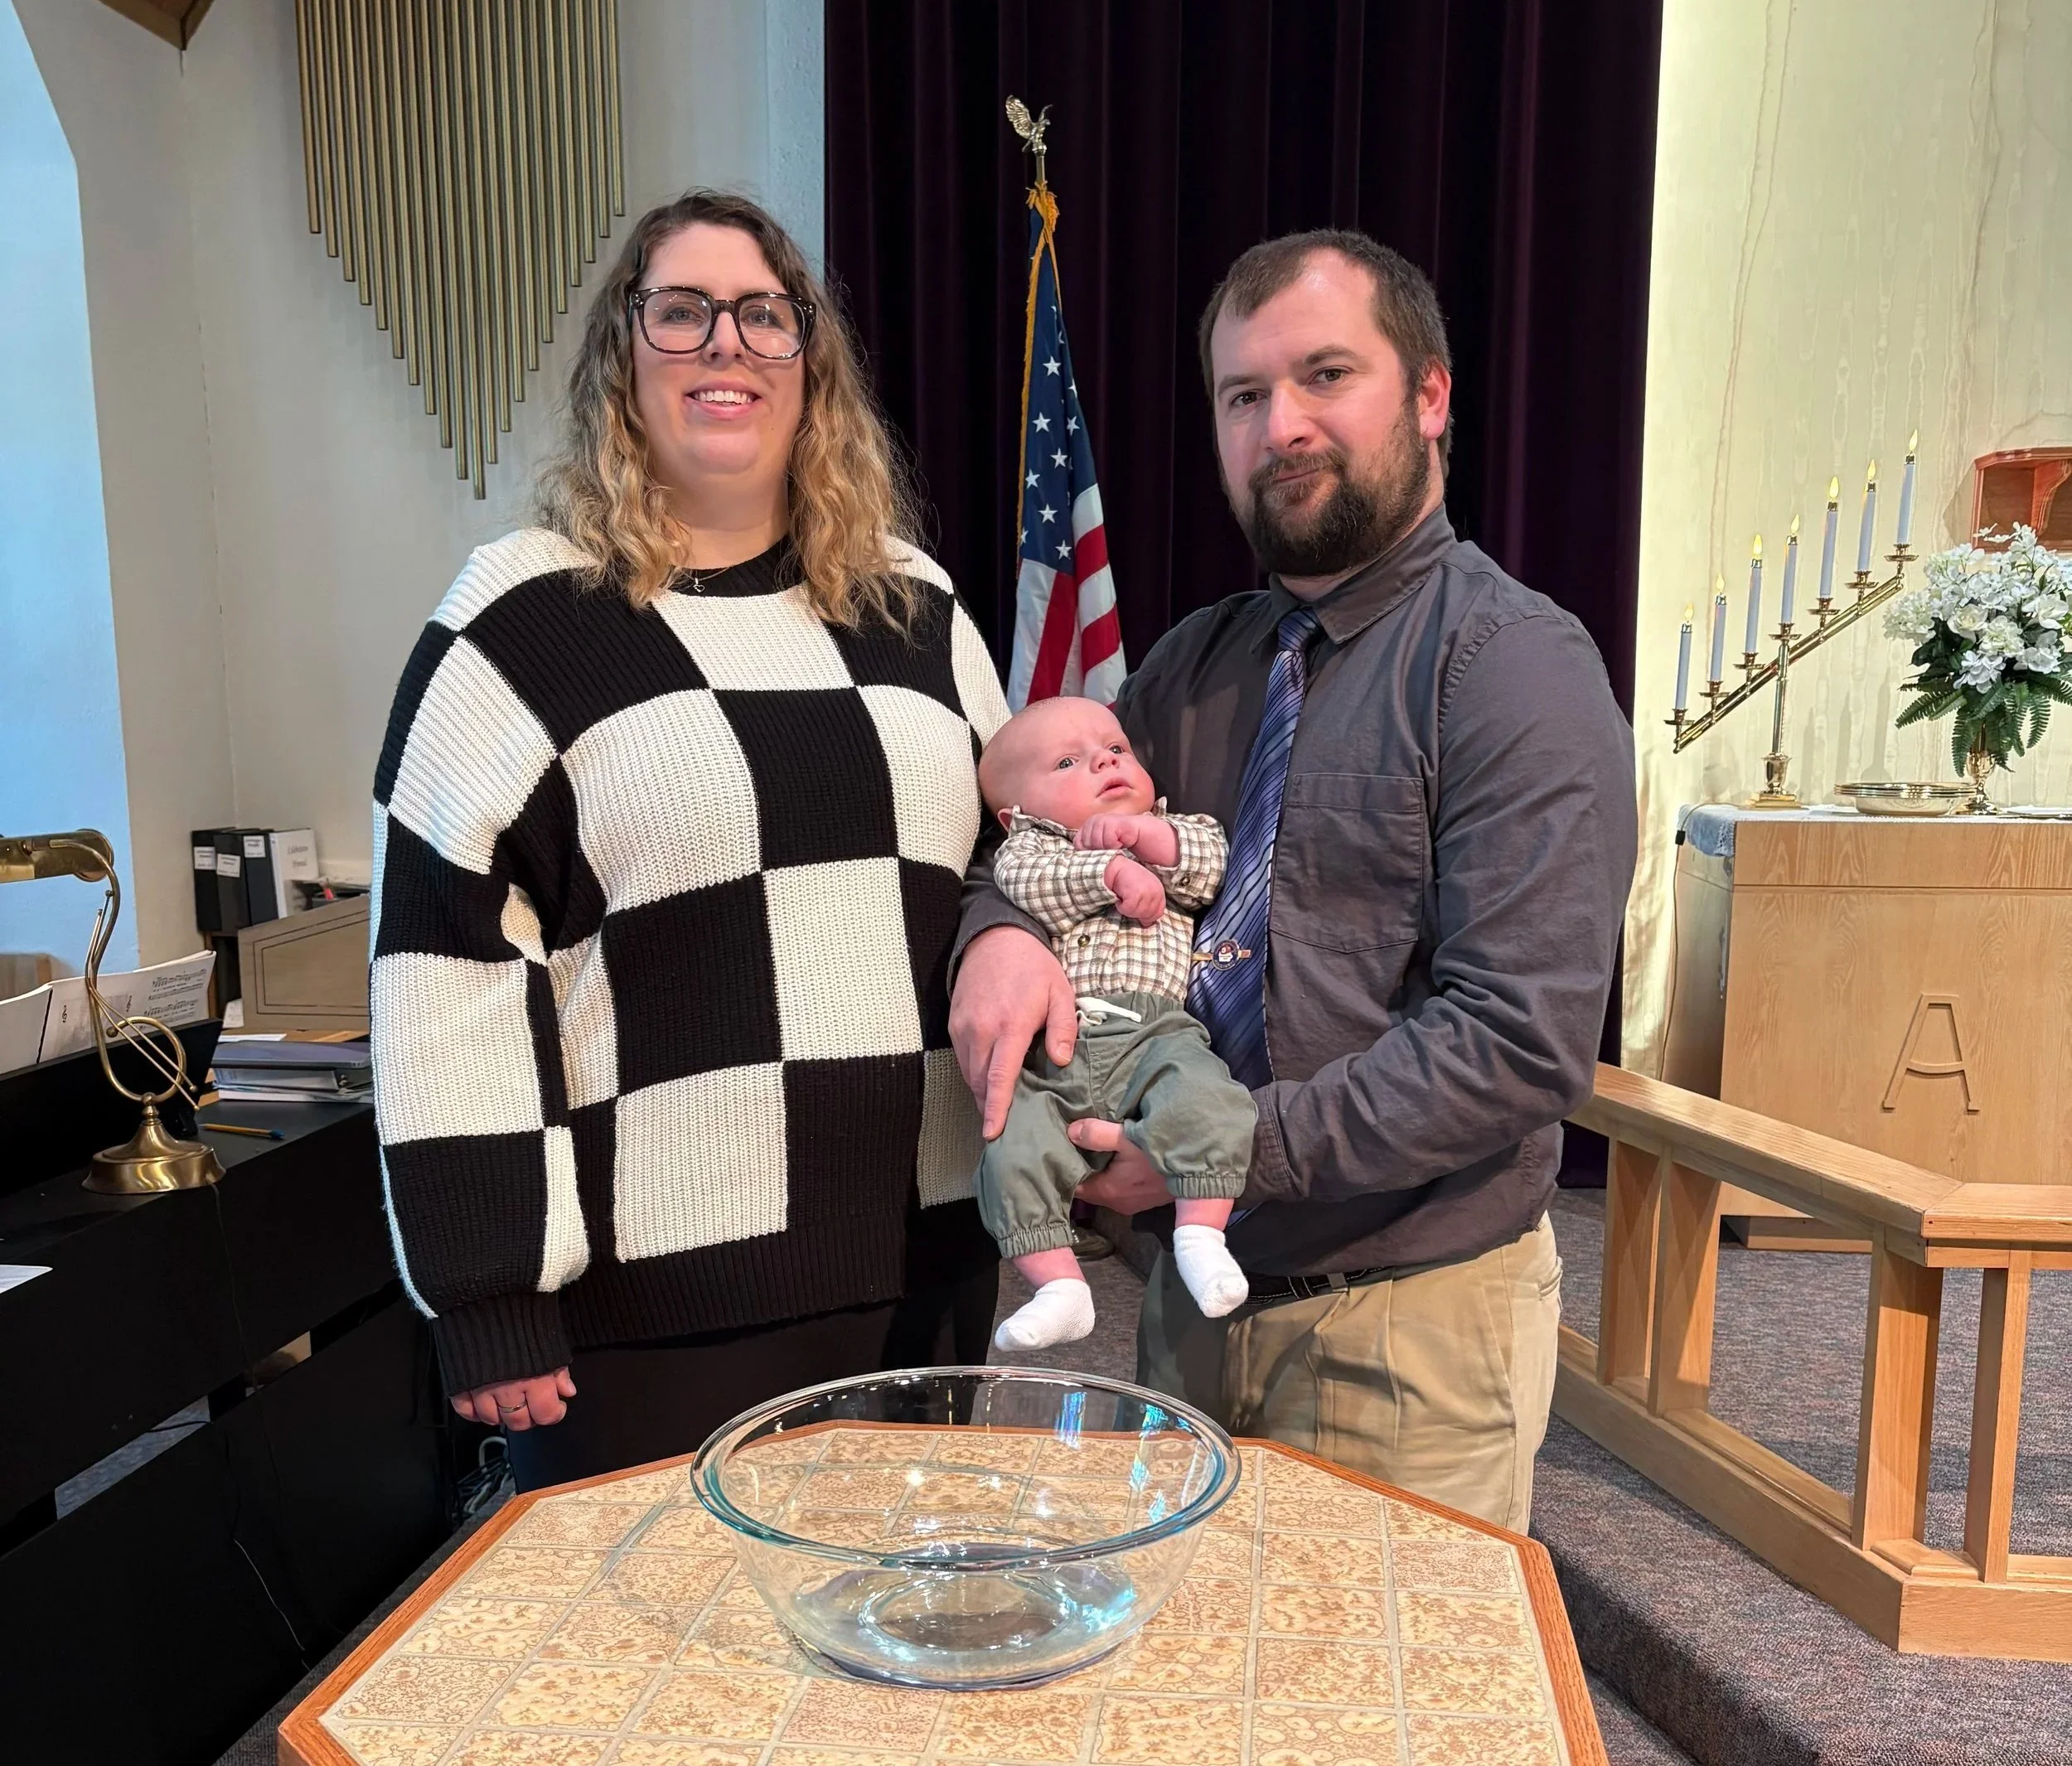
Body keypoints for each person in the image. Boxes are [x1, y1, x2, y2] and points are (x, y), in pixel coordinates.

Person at [951, 230, 1636, 1531]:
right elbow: (1040, 836)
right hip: (1193, 1315)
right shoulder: (1195, 664)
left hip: (1405, 1325)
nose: (1285, 427)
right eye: (1245, 395)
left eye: (1328, 376)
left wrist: (1220, 1153)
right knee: (1203, 1691)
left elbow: (1520, 1042)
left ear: (1430, 396)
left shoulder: (1512, 669)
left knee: (1387, 1711)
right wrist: (995, 932)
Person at [371, 190, 1006, 1487]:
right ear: (624, 357)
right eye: (683, 313)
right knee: (660, 1674)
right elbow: (448, 975)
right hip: (652, 1306)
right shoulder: (524, 619)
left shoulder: (916, 606)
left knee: (897, 1655)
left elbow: (1011, 871)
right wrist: (489, 1291)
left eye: (764, 317)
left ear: (810, 367)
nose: (727, 344)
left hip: (925, 1251)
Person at [972, 696, 1253, 1352]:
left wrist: (1150, 842)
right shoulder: (1030, 849)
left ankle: (1201, 1236)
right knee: (1010, 1148)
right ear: (1019, 814)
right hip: (1058, 1050)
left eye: (1115, 750)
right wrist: (1111, 869)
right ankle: (1058, 1285)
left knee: (1210, 1103)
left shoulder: (1178, 829)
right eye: (1069, 762)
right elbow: (1033, 882)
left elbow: (1214, 866)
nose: (1104, 761)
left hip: (1159, 1034)